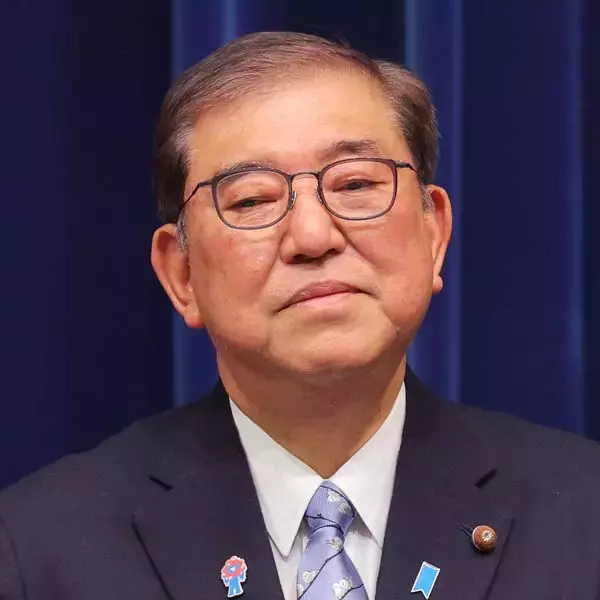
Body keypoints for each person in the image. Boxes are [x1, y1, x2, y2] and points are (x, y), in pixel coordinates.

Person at [1, 31, 599, 600]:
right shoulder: (37, 550)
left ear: (434, 234)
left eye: (355, 183)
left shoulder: (581, 515)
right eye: (252, 200)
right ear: (181, 274)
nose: (313, 236)